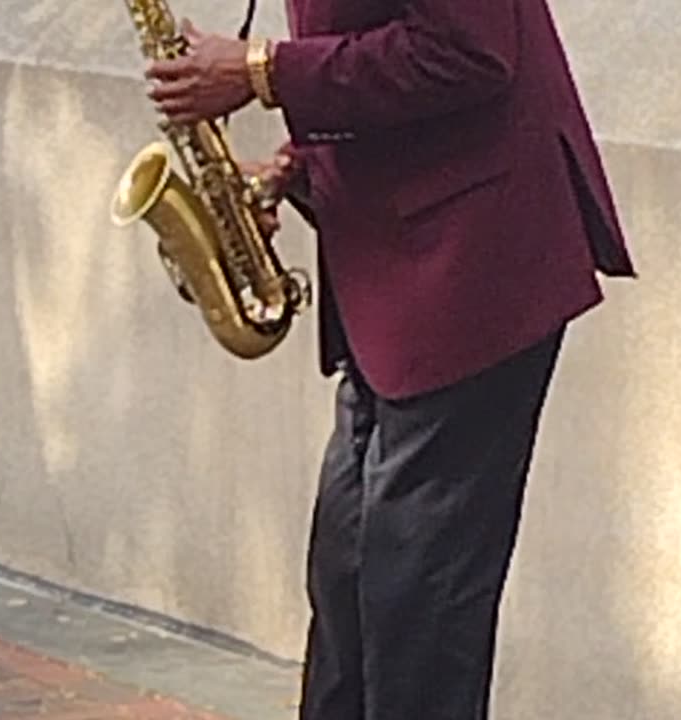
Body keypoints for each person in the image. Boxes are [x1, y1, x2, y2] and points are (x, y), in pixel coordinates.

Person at [146, 0, 636, 717]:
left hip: (472, 267)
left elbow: (468, 53)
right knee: (347, 578)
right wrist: (292, 170)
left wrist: (260, 71)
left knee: (418, 607)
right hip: (399, 268)